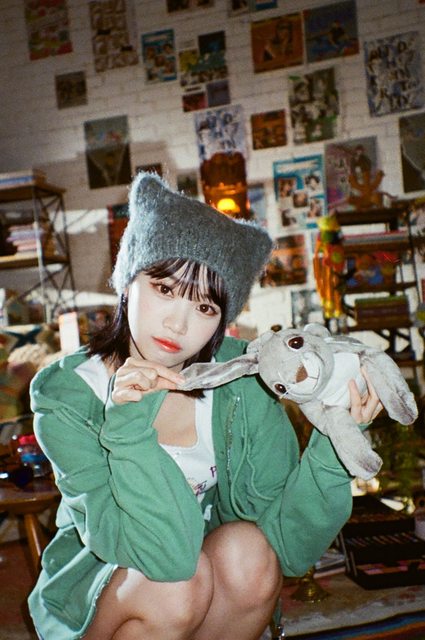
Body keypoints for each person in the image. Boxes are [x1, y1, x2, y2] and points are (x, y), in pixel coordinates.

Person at [28, 172, 382, 640]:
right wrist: (129, 424)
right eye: (165, 289)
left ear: (221, 320)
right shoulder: (68, 395)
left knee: (249, 553)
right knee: (178, 583)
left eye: (205, 308)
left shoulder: (241, 379)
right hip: (106, 577)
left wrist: (336, 444)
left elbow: (287, 546)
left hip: (197, 575)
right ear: (128, 280)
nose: (177, 324)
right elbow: (166, 558)